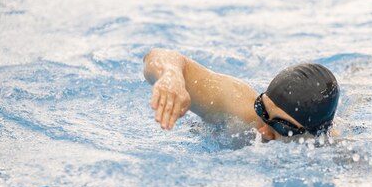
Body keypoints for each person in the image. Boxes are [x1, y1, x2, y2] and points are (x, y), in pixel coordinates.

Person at [143, 48, 340, 141]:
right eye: (262, 110)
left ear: (312, 134)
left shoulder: (336, 154)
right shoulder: (238, 106)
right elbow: (155, 56)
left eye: (282, 126)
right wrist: (171, 74)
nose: (263, 131)